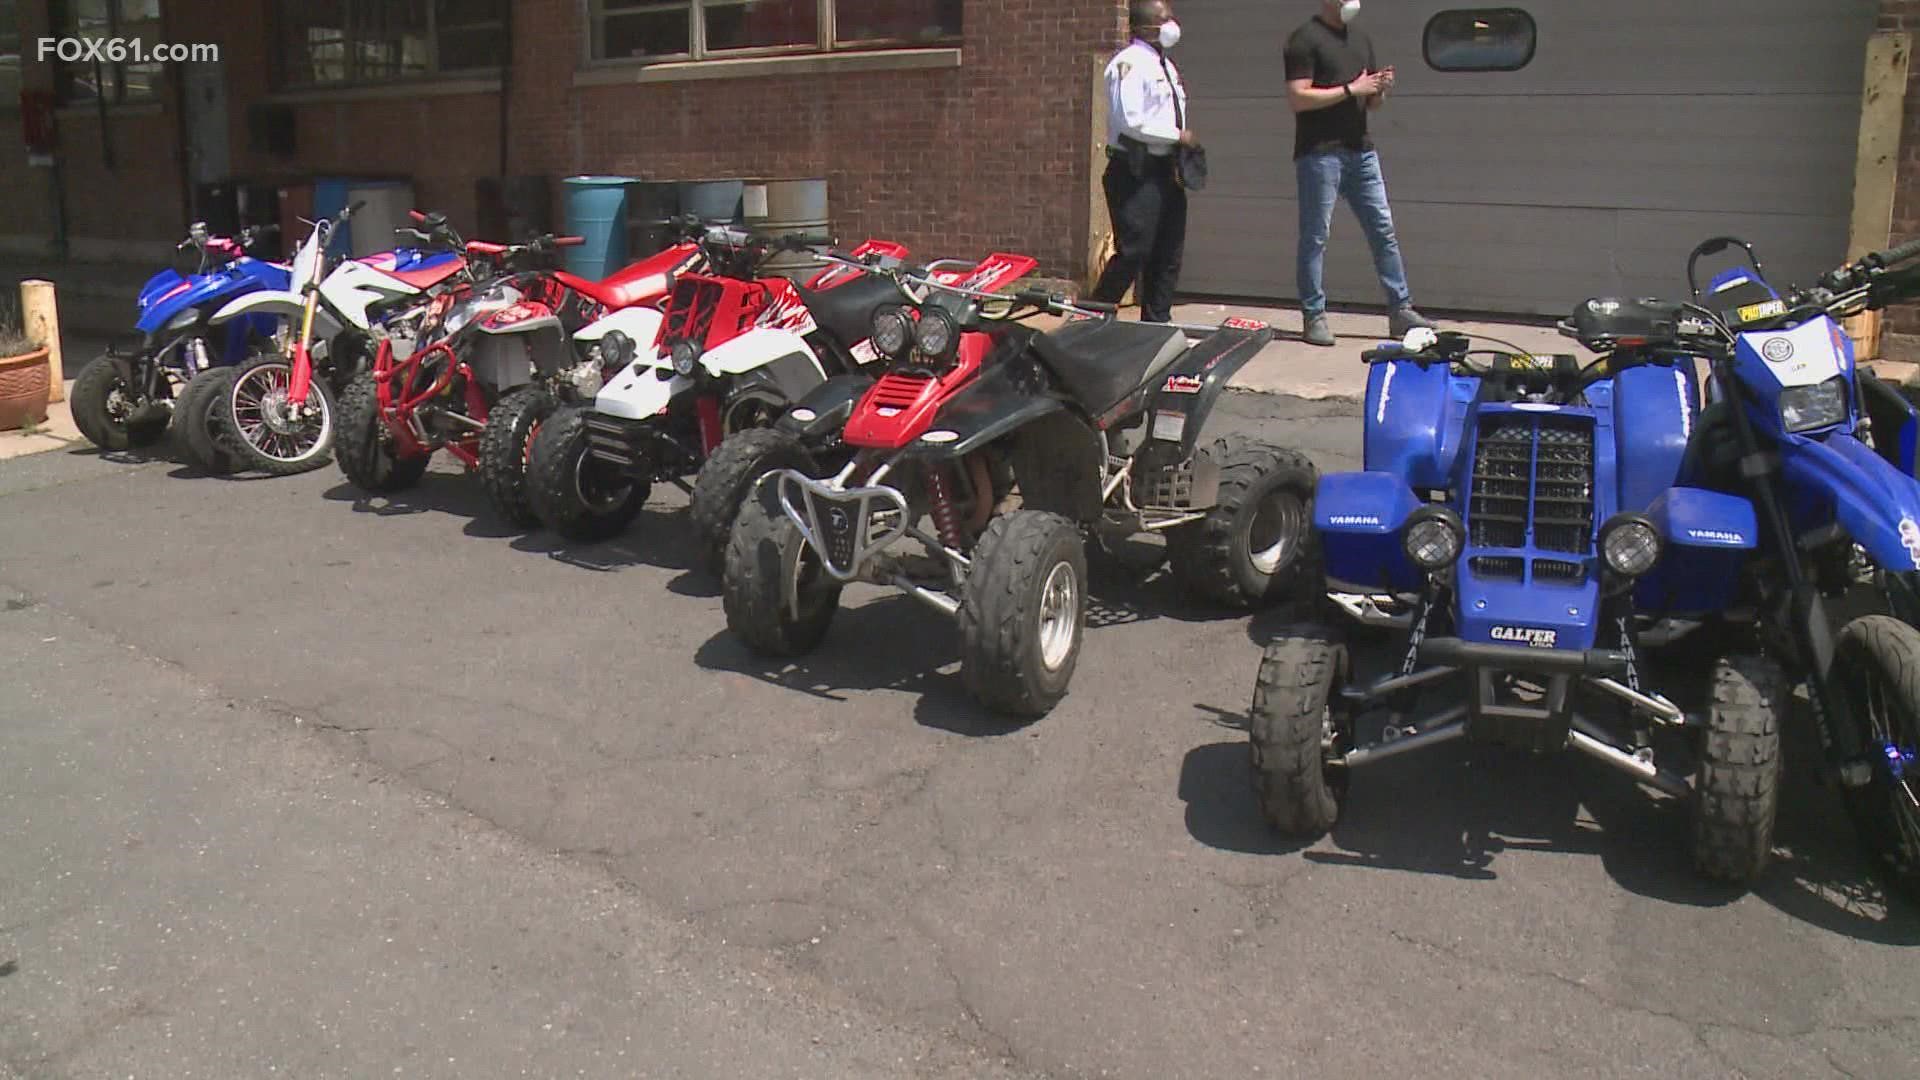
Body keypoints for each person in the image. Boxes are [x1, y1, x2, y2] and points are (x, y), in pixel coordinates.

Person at [1284, 0, 1433, 346]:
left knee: (1383, 230)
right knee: (1315, 237)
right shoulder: (1304, 39)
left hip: (1360, 150)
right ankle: (1314, 316)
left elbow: (1370, 101)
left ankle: (1400, 309)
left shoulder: (1361, 39)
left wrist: (1378, 89)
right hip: (1320, 153)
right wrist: (1353, 89)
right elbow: (1298, 98)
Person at [1091, 0, 1197, 324]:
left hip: (1166, 170)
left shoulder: (1166, 65)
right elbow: (1131, 121)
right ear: (1142, 27)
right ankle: (1093, 317)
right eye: (1163, 20)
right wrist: (1176, 137)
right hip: (1135, 170)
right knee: (1135, 249)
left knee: (1168, 252)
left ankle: (1156, 323)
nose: (1171, 25)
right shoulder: (1130, 64)